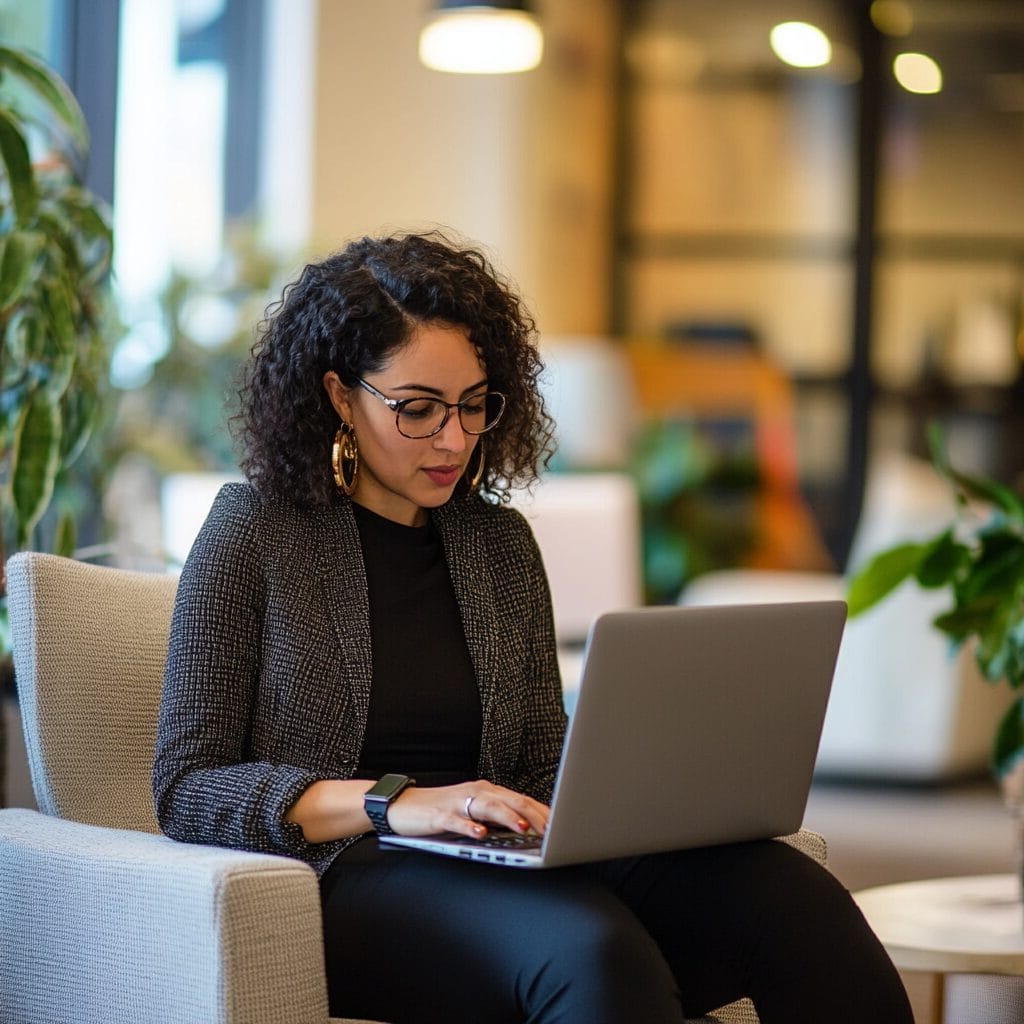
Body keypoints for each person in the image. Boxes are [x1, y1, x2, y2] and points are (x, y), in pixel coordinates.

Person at [153, 230, 913, 1024]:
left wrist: (632, 807)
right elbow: (186, 786)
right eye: (418, 410)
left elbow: (541, 761)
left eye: (473, 405)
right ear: (341, 396)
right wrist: (395, 802)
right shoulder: (255, 531)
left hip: (501, 859)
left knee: (793, 900)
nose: (454, 439)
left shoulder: (498, 546)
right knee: (591, 950)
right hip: (352, 872)